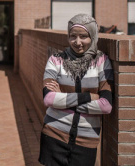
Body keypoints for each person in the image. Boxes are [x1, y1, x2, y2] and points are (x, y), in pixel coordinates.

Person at [38, 14, 113, 166]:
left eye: (83, 36)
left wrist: (63, 98)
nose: (77, 42)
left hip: (86, 141)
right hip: (53, 135)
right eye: (73, 36)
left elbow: (106, 106)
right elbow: (49, 99)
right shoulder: (56, 60)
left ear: (92, 36)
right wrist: (91, 97)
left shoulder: (101, 62)